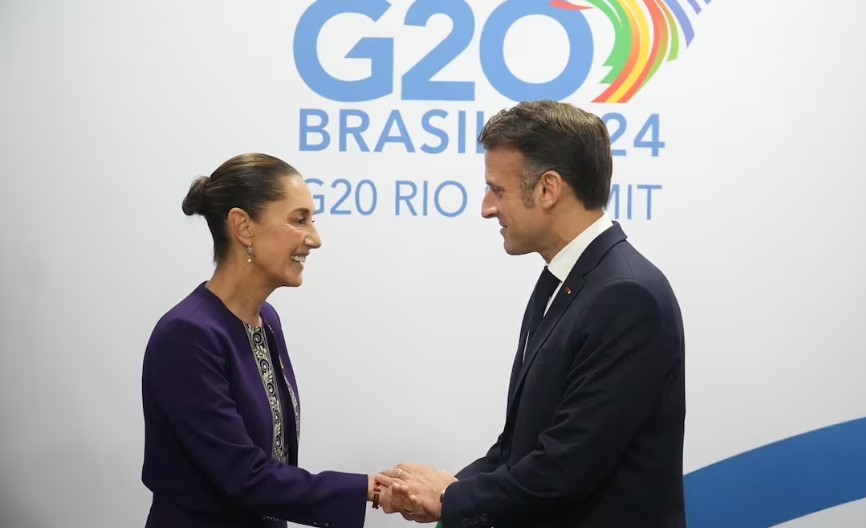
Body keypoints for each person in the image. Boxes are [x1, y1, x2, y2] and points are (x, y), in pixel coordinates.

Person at [382, 101, 687, 527]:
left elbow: (565, 467)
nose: (487, 207)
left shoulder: (625, 295)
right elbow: (518, 450)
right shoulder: (564, 279)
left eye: (498, 189)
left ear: (547, 189)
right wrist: (445, 493)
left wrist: (451, 498)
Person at [141, 153, 393, 527]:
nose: (315, 239)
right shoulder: (188, 335)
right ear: (243, 226)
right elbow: (244, 476)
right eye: (299, 220)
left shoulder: (265, 320)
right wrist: (370, 490)